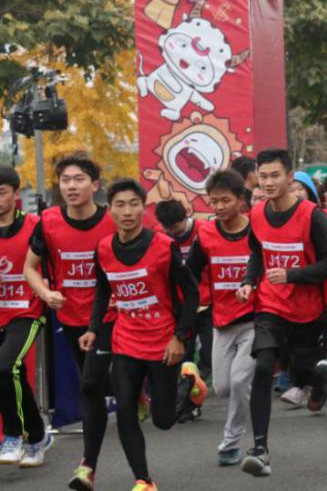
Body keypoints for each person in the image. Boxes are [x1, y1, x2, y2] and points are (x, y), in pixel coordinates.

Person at [83, 178, 205, 491]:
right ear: (110, 210)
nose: (127, 212)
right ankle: (144, 480)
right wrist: (93, 329)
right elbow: (102, 290)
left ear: (143, 208)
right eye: (120, 205)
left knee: (163, 420)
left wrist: (180, 337)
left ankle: (189, 379)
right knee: (125, 410)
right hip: (125, 340)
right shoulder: (104, 248)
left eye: (134, 204)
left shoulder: (163, 246)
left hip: (164, 342)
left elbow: (192, 293)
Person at [236, 148, 327, 477]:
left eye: (275, 176)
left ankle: (318, 381)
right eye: (263, 177)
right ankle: (260, 449)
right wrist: (249, 281)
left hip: (309, 311)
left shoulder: (313, 216)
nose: (268, 182)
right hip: (270, 305)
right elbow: (257, 253)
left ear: (290, 176)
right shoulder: (256, 214)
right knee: (263, 366)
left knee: (301, 372)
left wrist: (292, 274)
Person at [23, 153, 117, 491]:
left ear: (94, 185)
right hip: (71, 315)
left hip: (110, 316)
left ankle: (87, 467)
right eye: (65, 180)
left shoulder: (113, 221)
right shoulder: (48, 222)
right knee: (98, 384)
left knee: (89, 385)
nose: (71, 186)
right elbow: (29, 267)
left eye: (79, 179)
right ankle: (136, 390)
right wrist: (45, 293)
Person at [187, 170, 257, 466]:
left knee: (239, 382)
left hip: (255, 318)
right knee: (223, 388)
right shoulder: (205, 234)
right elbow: (189, 274)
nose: (218, 207)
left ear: (241, 200)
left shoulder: (257, 230)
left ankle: (231, 442)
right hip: (222, 320)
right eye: (213, 201)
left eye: (225, 200)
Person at [0, 167, 51, 468]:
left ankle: (13, 435)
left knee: (6, 366)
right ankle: (37, 437)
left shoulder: (35, 226)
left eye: (2, 193)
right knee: (10, 374)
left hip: (26, 311)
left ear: (16, 194)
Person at [155, 199, 212, 410]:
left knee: (209, 355)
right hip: (179, 308)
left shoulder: (204, 231)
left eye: (176, 227)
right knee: (182, 360)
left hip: (207, 303)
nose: (173, 232)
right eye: (168, 228)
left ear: (186, 215)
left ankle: (198, 388)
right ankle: (187, 405)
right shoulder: (158, 237)